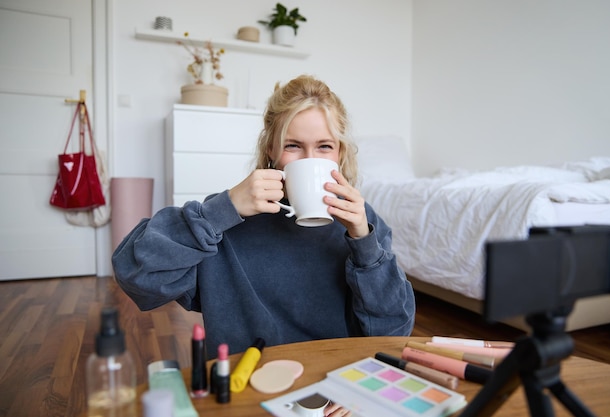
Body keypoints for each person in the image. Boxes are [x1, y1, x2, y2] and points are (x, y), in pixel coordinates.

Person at [112, 75, 416, 358]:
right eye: (293, 146)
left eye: (324, 146)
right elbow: (135, 274)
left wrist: (363, 243)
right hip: (249, 381)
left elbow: (393, 332)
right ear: (271, 148)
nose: (310, 160)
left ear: (340, 153)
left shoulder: (363, 223)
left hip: (333, 379)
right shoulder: (226, 219)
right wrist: (222, 210)